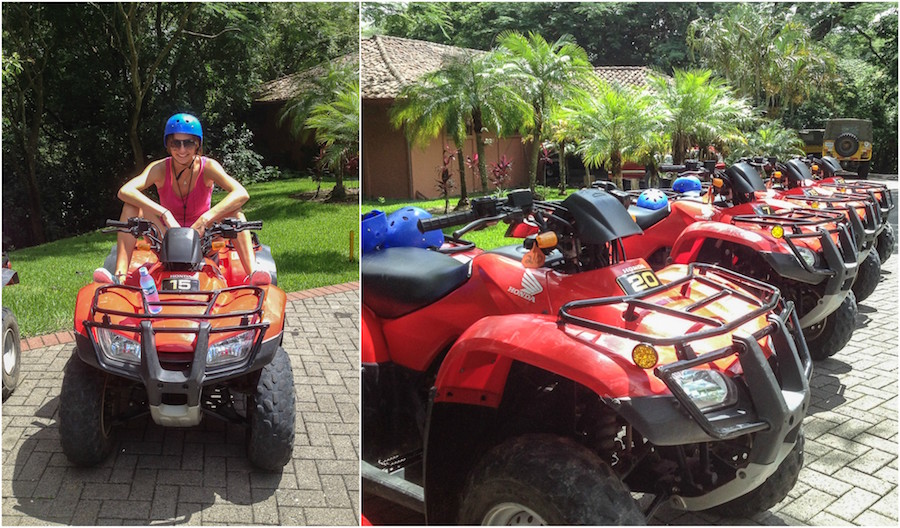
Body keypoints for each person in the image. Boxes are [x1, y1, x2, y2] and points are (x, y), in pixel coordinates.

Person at [94, 113, 270, 285]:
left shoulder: (208, 167)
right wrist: (164, 213)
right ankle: (119, 277)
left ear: (197, 144)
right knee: (131, 207)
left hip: (203, 238)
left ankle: (252, 274)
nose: (182, 150)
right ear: (168, 144)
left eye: (188, 143)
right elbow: (125, 191)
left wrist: (204, 220)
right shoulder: (160, 168)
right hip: (165, 237)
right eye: (176, 143)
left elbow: (241, 193)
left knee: (235, 213)